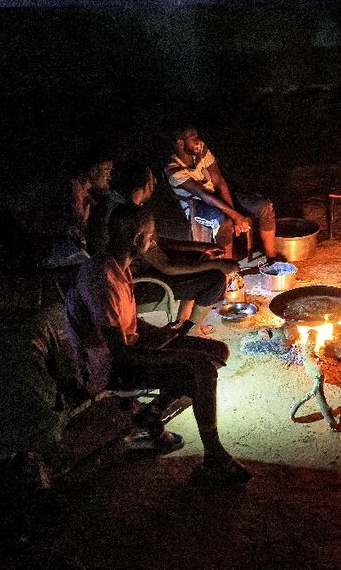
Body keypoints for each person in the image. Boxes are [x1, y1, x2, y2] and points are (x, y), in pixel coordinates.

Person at [65, 203, 250, 485]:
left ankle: (150, 414)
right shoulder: (102, 279)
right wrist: (177, 354)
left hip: (125, 350)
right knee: (200, 368)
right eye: (151, 237)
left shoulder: (116, 265)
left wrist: (166, 334)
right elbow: (121, 353)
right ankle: (214, 455)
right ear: (137, 239)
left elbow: (129, 326)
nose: (153, 242)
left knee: (216, 351)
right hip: (105, 368)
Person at [88, 159, 237, 334]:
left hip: (138, 270)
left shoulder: (127, 205)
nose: (156, 182)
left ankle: (181, 323)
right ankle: (191, 330)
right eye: (152, 179)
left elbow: (157, 242)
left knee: (197, 259)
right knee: (215, 280)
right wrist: (218, 265)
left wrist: (201, 247)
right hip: (138, 284)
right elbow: (167, 267)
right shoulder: (126, 216)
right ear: (143, 185)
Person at [164, 126, 278, 262]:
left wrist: (235, 214)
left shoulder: (200, 149)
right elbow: (204, 195)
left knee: (265, 206)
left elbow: (219, 182)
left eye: (197, 136)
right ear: (180, 143)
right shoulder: (172, 169)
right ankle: (227, 272)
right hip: (197, 205)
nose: (198, 140)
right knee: (224, 223)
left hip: (217, 196)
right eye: (193, 138)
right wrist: (235, 216)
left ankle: (272, 261)